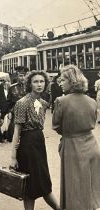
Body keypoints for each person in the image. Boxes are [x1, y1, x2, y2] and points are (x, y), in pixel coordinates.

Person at [10, 70, 60, 210]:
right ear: (29, 84)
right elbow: (17, 131)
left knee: (42, 180)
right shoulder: (22, 103)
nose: (39, 84)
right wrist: (13, 157)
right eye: (35, 82)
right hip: (27, 145)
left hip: (39, 143)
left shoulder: (43, 103)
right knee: (30, 185)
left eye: (42, 81)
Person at [52, 64, 100, 210]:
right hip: (91, 145)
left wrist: (68, 132)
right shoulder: (92, 101)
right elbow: (93, 121)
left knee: (74, 185)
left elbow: (56, 126)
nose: (60, 83)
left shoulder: (61, 101)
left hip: (72, 146)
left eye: (63, 80)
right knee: (91, 184)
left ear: (72, 81)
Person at [6, 66, 28, 142]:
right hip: (16, 114)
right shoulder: (12, 88)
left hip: (28, 115)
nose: (23, 78)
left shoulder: (30, 87)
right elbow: (9, 102)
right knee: (14, 136)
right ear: (17, 76)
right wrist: (9, 112)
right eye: (20, 75)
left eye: (24, 75)